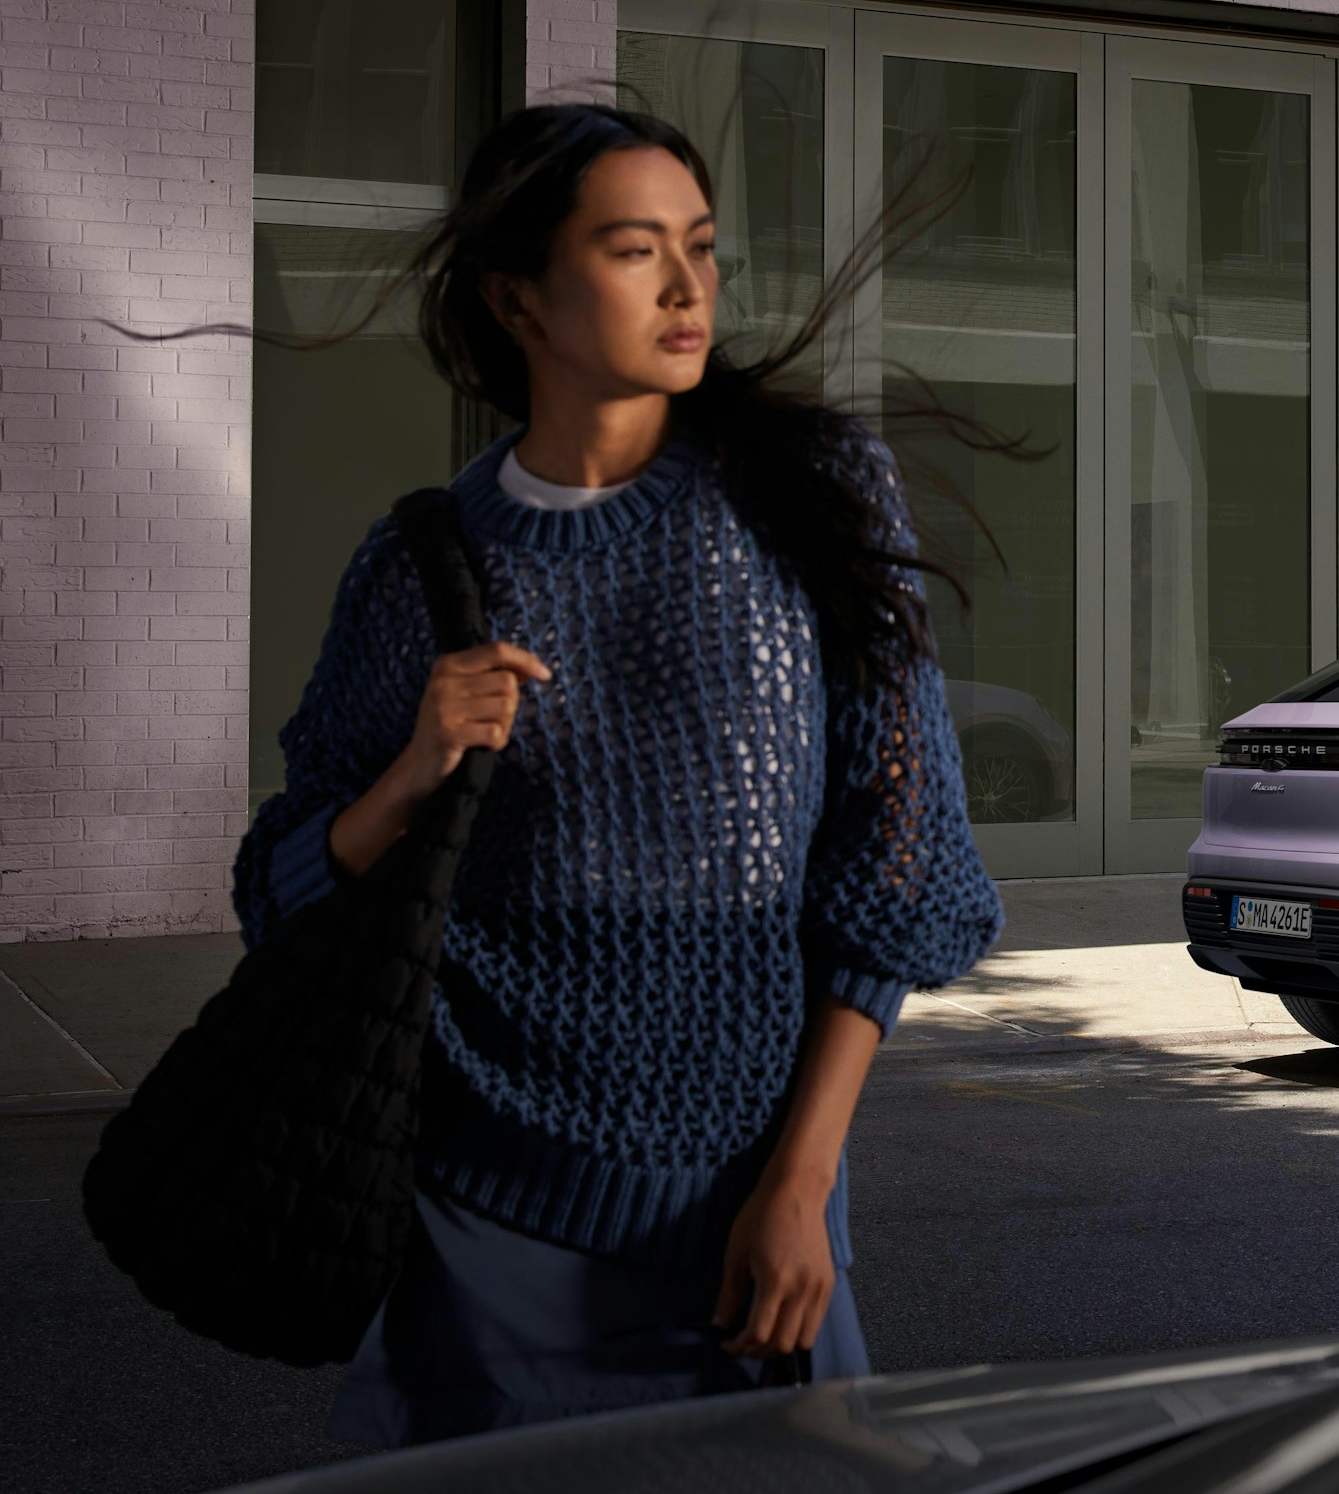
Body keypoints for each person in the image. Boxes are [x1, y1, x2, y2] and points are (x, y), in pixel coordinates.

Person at [228, 103, 1003, 1445]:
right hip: (476, 1229)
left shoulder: (819, 496)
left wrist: (803, 1185)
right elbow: (278, 888)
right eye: (637, 249)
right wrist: (411, 775)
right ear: (518, 297)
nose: (692, 288)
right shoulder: (424, 565)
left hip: (755, 1220)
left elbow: (899, 863)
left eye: (701, 247)